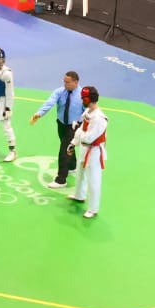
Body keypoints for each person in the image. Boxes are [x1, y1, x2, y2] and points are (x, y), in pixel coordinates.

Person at [29, 71, 84, 189]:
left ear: (75, 82)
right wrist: (39, 114)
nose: (65, 84)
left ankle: (61, 179)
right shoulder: (60, 91)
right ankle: (72, 166)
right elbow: (49, 103)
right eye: (64, 81)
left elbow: (86, 111)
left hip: (74, 126)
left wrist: (83, 125)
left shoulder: (82, 95)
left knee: (64, 150)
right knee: (68, 146)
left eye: (68, 82)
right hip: (61, 124)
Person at [67, 86, 107, 219]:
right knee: (80, 174)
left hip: (94, 152)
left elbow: (90, 137)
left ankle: (93, 209)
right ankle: (79, 195)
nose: (81, 100)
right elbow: (81, 131)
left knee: (93, 180)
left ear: (89, 99)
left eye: (83, 98)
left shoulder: (100, 118)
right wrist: (73, 143)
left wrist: (79, 133)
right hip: (84, 148)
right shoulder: (87, 112)